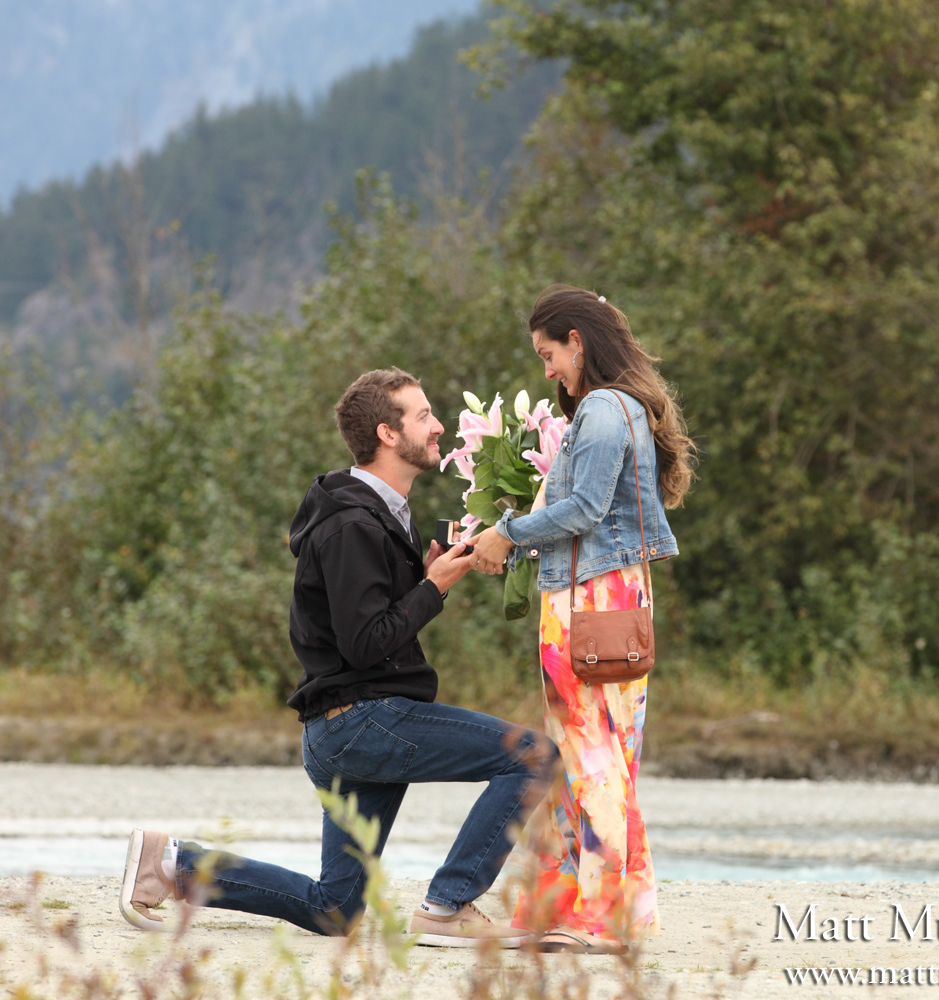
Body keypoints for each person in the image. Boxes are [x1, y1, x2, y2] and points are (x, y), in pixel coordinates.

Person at [119, 367, 557, 947]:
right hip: (363, 723)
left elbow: (368, 627)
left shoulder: (379, 513)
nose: (438, 426)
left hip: (345, 729)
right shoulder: (351, 523)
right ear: (387, 433)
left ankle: (171, 863)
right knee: (532, 756)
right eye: (423, 415)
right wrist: (433, 591)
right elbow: (366, 643)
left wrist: (422, 580)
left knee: (334, 910)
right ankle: (449, 905)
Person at [469, 286, 696, 954]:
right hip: (619, 597)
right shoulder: (624, 410)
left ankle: (594, 913)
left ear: (578, 340)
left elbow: (585, 510)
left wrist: (508, 533)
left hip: (587, 601)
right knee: (604, 754)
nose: (546, 371)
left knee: (585, 754)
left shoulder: (600, 410)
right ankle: (597, 909)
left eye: (549, 354)